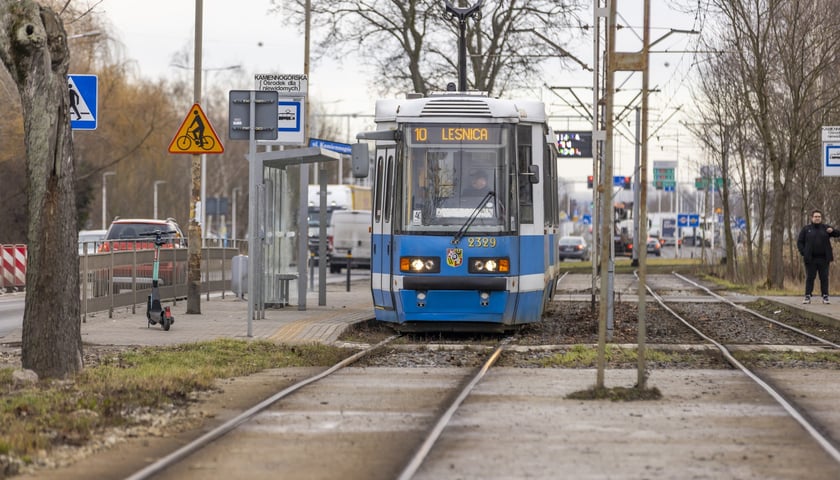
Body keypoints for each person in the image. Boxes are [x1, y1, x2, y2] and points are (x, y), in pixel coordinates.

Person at [797, 209, 840, 304]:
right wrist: (804, 252)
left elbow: (837, 234)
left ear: (821, 218)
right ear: (811, 218)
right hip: (810, 259)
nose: (817, 218)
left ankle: (825, 296)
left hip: (824, 259)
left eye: (819, 217)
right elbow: (799, 242)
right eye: (815, 216)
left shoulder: (826, 228)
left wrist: (832, 231)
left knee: (824, 278)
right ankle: (807, 296)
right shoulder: (806, 229)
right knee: (810, 277)